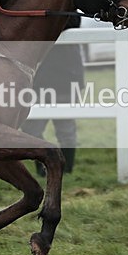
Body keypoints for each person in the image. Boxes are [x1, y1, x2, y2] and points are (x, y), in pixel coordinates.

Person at [21, 16, 85, 175]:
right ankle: (43, 169)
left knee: (65, 129)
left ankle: (67, 170)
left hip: (65, 77)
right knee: (31, 129)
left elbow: (71, 22)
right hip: (40, 80)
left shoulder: (69, 10)